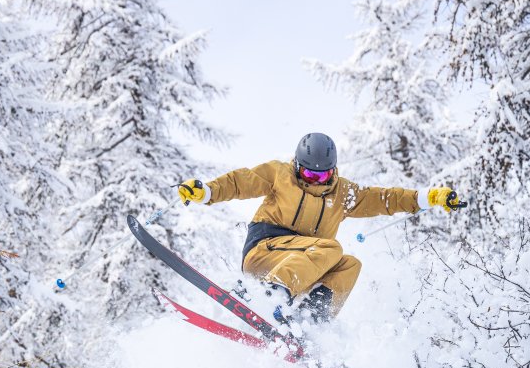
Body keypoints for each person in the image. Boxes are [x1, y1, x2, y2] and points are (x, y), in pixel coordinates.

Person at [177, 132, 465, 323]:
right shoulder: (279, 174)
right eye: (308, 173)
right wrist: (207, 192)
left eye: (322, 175)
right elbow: (241, 181)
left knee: (349, 265)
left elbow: (384, 199)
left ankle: (310, 320)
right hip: (266, 253)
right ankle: (270, 295)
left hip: (304, 265)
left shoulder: (344, 193)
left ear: (333, 171)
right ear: (297, 165)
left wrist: (428, 198)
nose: (314, 180)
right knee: (331, 247)